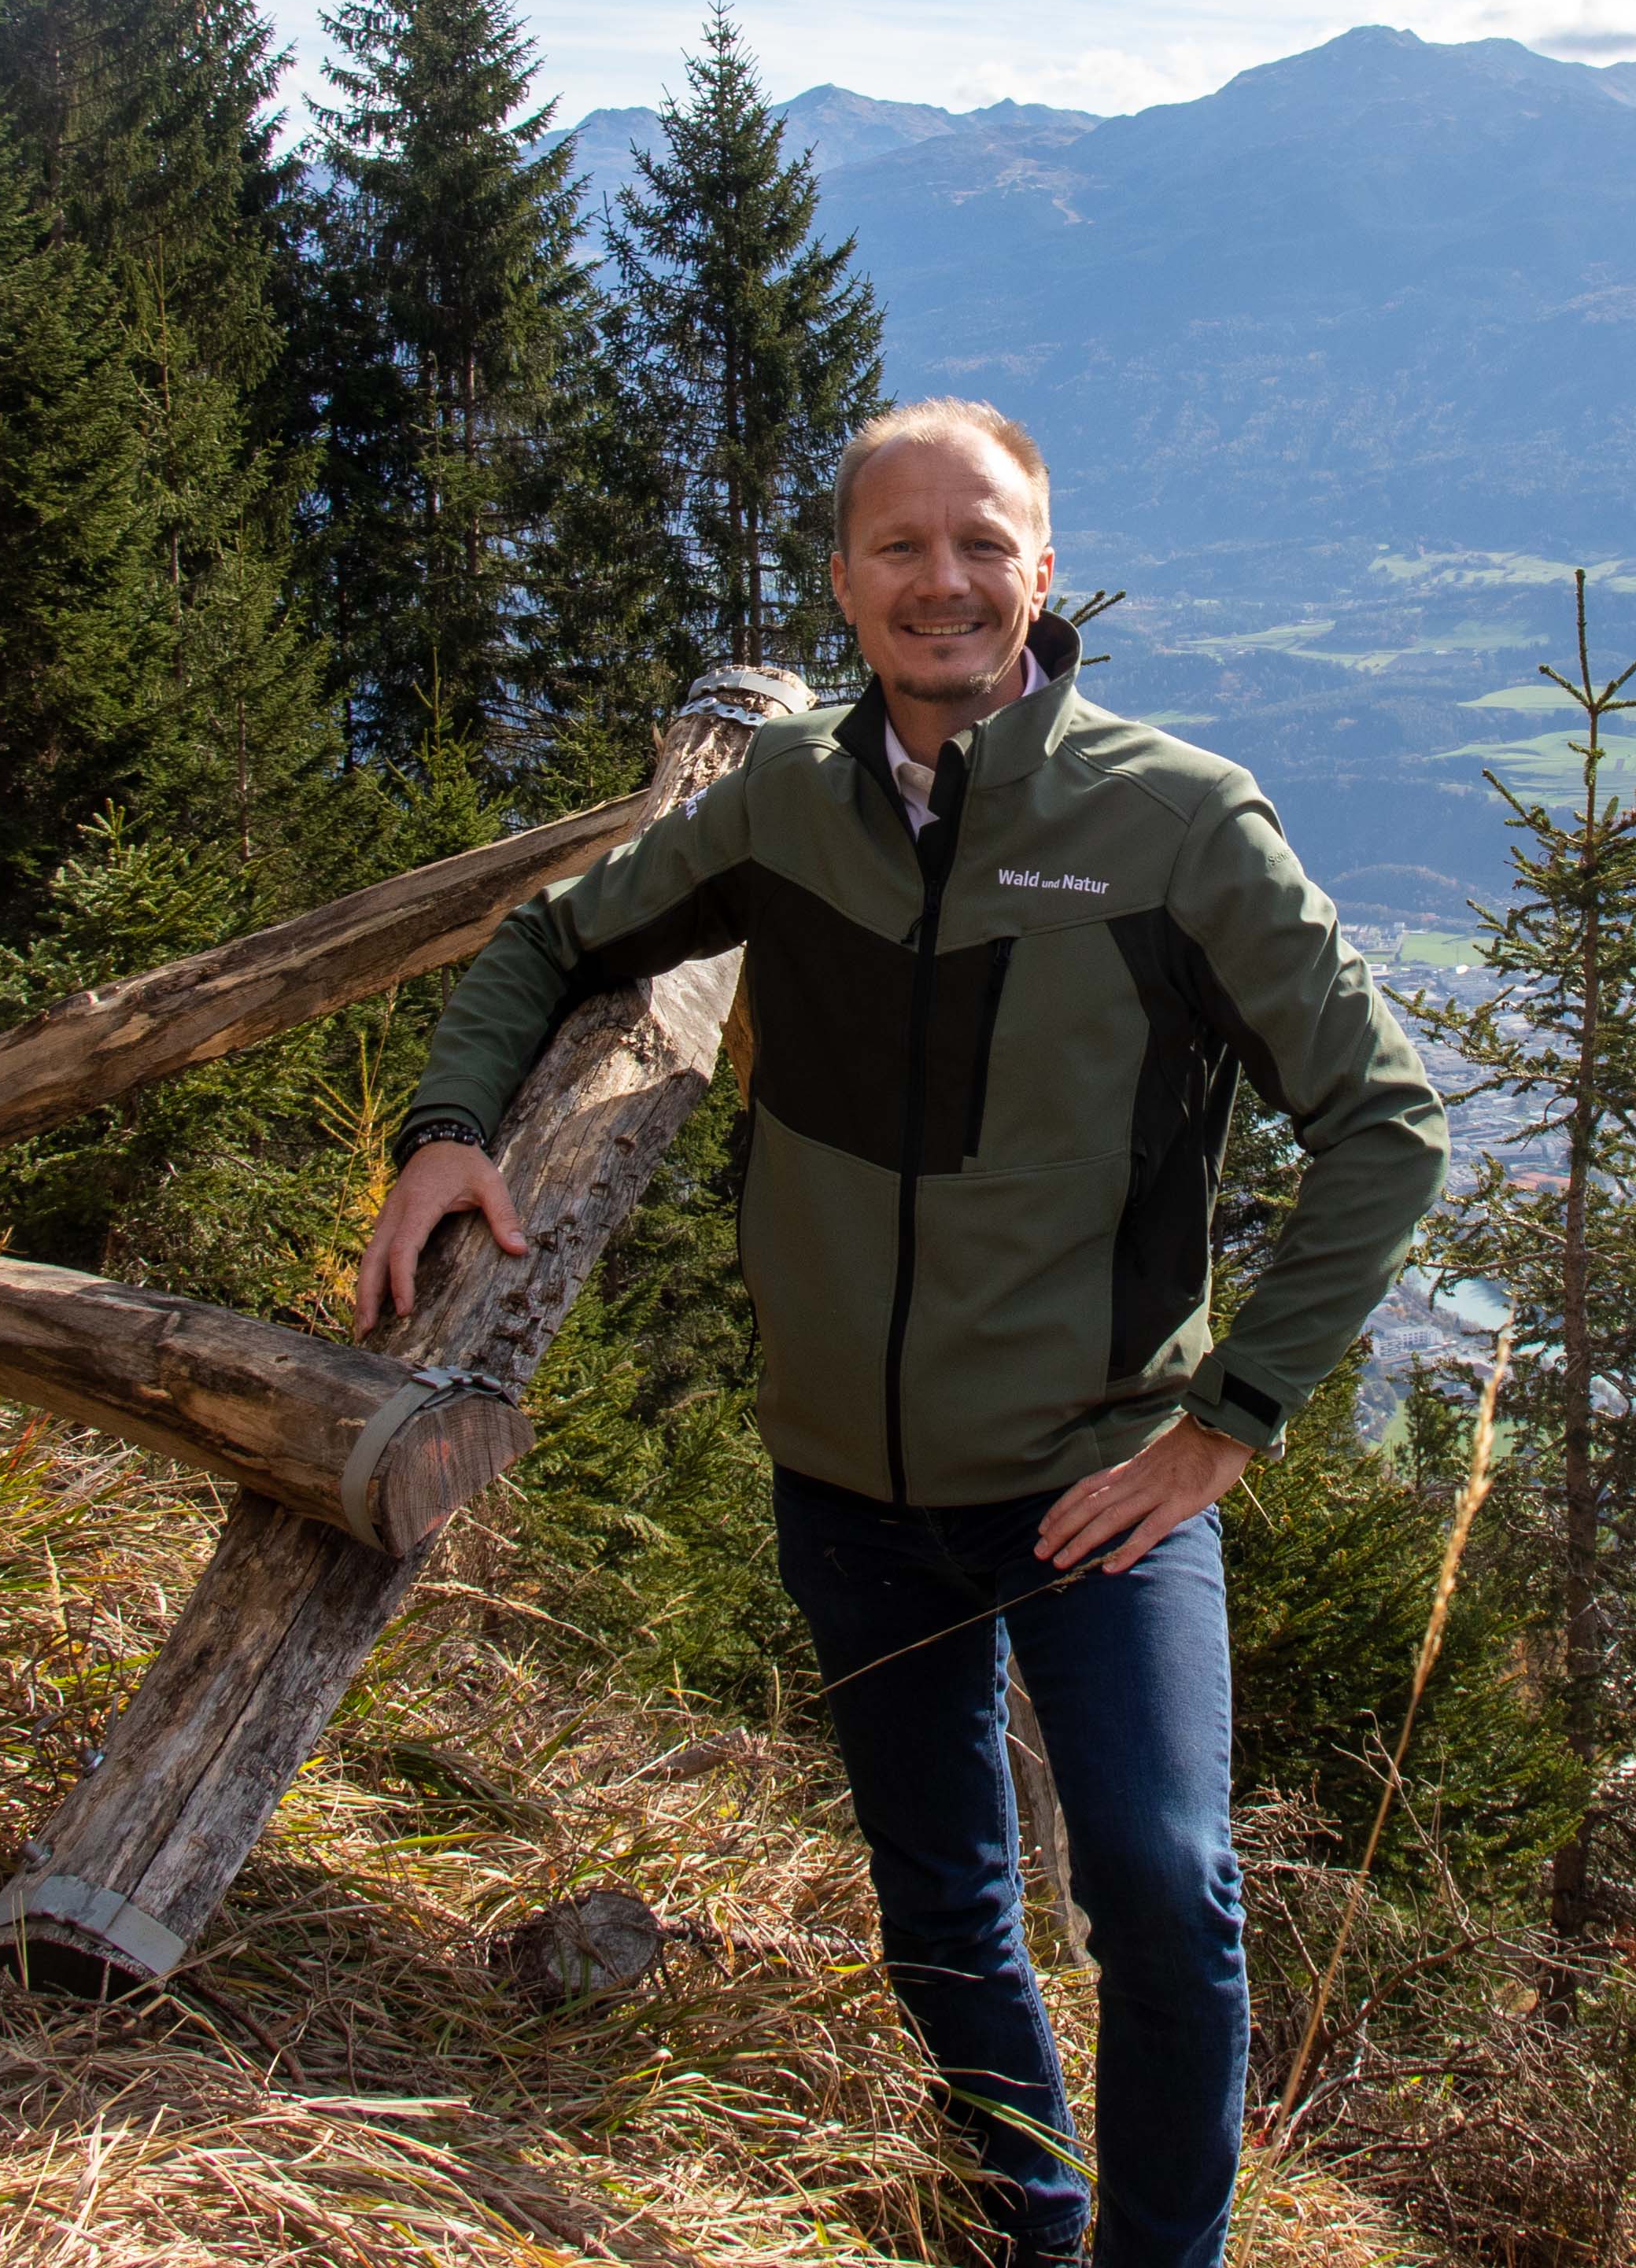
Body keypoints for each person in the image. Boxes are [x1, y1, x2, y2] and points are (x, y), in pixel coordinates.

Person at [360, 395, 1446, 2268]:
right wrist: (449, 1129)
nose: (944, 579)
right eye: (901, 545)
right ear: (846, 580)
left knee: (1165, 1883)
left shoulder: (1178, 823)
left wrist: (1230, 1418)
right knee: (941, 1897)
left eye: (982, 542)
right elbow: (554, 941)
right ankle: (1024, 2221)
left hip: (1094, 1474)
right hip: (844, 1477)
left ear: (1044, 565)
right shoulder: (789, 796)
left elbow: (1387, 1121)